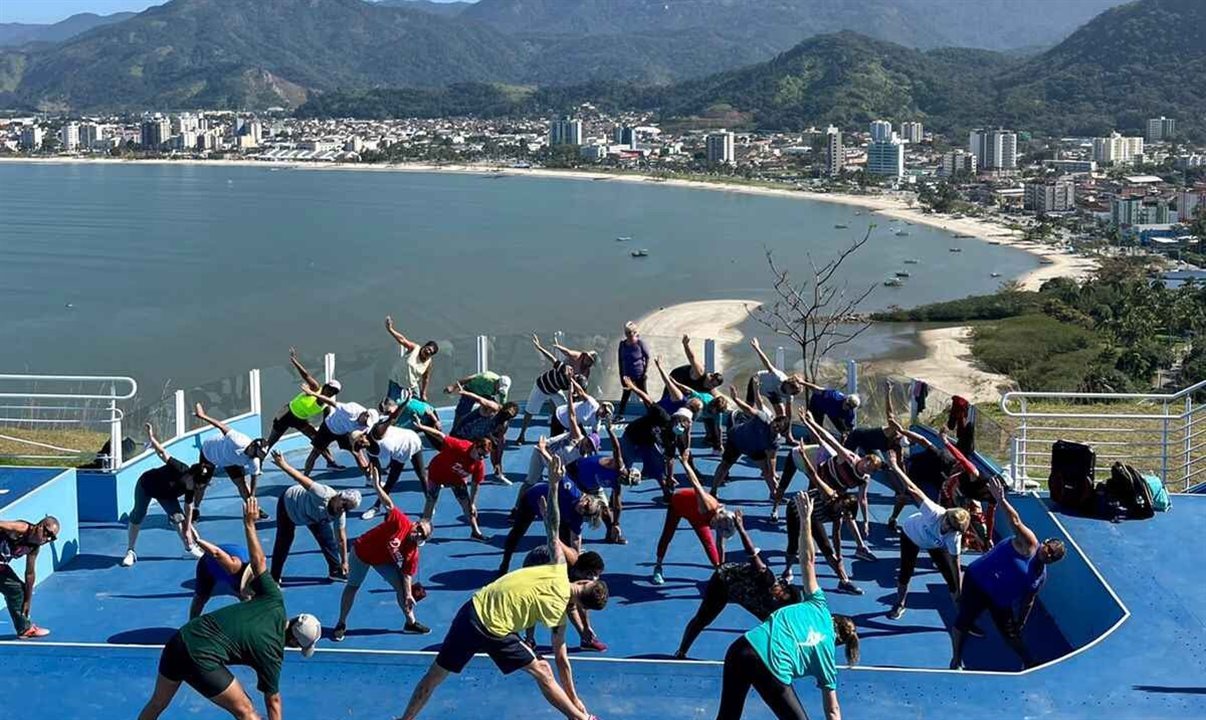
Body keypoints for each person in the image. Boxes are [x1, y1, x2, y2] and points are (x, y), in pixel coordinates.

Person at [398, 457, 609, 720]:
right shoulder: (559, 618)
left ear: (582, 582)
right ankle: (580, 719)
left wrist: (554, 485)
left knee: (435, 675)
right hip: (495, 630)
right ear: (583, 606)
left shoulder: (557, 567)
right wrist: (575, 699)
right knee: (542, 671)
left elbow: (553, 528)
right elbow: (562, 662)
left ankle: (405, 719)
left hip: (473, 611)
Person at [137, 498, 322, 720]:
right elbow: (273, 702)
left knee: (157, 703)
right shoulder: (272, 653)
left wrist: (249, 525)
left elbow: (259, 561)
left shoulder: (274, 600)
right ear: (293, 641)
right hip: (200, 657)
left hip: (179, 640)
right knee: (245, 710)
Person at [715, 492, 858, 720]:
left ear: (834, 618)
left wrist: (805, 519)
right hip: (770, 667)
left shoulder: (818, 604)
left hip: (741, 648)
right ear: (839, 641)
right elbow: (833, 711)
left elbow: (808, 561)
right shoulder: (827, 657)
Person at [950, 477, 1066, 670]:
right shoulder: (1029, 544)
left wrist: (1020, 622)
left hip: (999, 601)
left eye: (1053, 556)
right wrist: (1001, 499)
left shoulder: (1039, 577)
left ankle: (1029, 662)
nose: (1048, 554)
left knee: (1012, 634)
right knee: (963, 623)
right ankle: (956, 660)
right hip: (978, 582)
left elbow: (1028, 601)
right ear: (1044, 543)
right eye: (1049, 549)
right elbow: (1015, 521)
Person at [675, 510, 801, 659]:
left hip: (744, 594)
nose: (778, 602)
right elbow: (751, 553)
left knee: (775, 628)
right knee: (702, 619)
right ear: (781, 590)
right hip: (724, 582)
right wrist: (741, 528)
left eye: (781, 604)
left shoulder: (776, 611)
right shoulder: (766, 577)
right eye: (780, 597)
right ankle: (681, 651)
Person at [332, 473, 433, 640]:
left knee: (401, 587)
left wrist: (409, 595)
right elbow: (388, 504)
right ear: (415, 524)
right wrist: (377, 486)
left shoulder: (412, 553)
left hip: (383, 561)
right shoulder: (401, 522)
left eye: (423, 534)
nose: (419, 533)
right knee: (352, 587)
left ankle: (410, 622)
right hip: (362, 552)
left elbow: (407, 576)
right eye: (420, 528)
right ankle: (341, 623)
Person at [499, 438, 604, 574]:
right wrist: (543, 450)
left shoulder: (577, 518)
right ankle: (505, 562)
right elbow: (555, 467)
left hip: (553, 515)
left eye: (585, 513)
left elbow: (575, 544)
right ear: (586, 498)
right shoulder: (570, 489)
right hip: (532, 501)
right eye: (586, 506)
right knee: (517, 533)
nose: (582, 509)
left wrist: (578, 565)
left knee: (563, 544)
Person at [884, 452, 969, 620]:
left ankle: (962, 617)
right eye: (947, 523)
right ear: (946, 516)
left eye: (950, 528)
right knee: (906, 571)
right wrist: (894, 465)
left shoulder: (953, 538)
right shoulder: (934, 512)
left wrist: (958, 591)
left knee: (951, 579)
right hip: (911, 534)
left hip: (933, 544)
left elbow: (955, 565)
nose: (946, 528)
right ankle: (900, 603)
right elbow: (912, 488)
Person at [122, 422, 212, 566]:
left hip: (166, 495)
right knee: (138, 515)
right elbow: (163, 453)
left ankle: (189, 548)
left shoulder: (190, 487)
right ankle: (130, 551)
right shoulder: (180, 468)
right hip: (147, 485)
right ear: (191, 476)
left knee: (178, 517)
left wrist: (188, 529)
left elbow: (188, 508)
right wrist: (152, 438)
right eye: (196, 485)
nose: (195, 489)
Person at [779, 444, 863, 596]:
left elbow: (836, 536)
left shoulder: (839, 515)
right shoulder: (829, 494)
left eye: (844, 512)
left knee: (826, 548)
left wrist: (839, 556)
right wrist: (804, 456)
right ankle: (787, 571)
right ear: (840, 500)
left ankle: (844, 581)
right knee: (793, 544)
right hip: (796, 508)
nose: (841, 511)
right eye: (841, 507)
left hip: (814, 516)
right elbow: (813, 475)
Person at [268, 451, 360, 583]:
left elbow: (341, 539)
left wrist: (345, 562)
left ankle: (336, 571)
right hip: (290, 504)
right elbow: (300, 478)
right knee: (284, 540)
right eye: (344, 504)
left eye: (347, 508)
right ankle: (274, 577)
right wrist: (282, 464)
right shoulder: (322, 493)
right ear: (339, 496)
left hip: (313, 516)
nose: (343, 508)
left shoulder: (340, 513)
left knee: (328, 541)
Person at [801, 411, 881, 559]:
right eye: (866, 463)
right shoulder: (848, 458)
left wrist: (865, 521)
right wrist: (810, 423)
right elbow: (829, 439)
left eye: (870, 468)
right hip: (820, 479)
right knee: (809, 511)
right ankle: (807, 539)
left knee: (848, 515)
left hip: (836, 491)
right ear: (863, 458)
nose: (865, 467)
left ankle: (860, 547)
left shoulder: (864, 479)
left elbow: (862, 499)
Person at [651, 451, 736, 586]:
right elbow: (696, 483)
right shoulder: (708, 506)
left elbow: (719, 545)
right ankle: (658, 566)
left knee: (709, 544)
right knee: (667, 534)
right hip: (678, 504)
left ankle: (720, 575)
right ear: (719, 518)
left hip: (696, 517)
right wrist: (685, 463)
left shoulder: (723, 522)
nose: (716, 529)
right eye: (717, 527)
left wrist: (721, 569)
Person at [263, 347, 341, 469]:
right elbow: (305, 375)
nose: (331, 392)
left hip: (301, 420)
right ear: (325, 386)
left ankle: (330, 462)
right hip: (287, 413)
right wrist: (294, 361)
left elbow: (326, 422)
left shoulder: (326, 405)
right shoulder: (315, 387)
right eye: (330, 389)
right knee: (272, 441)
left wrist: (325, 433)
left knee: (319, 440)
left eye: (334, 392)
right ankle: (257, 462)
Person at [521, 542, 607, 652]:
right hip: (535, 563)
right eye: (592, 574)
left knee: (574, 598)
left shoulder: (581, 573)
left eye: (597, 575)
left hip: (553, 561)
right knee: (533, 602)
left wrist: (586, 627)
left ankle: (586, 640)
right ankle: (529, 640)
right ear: (580, 571)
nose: (594, 579)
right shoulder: (561, 570)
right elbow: (571, 608)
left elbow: (582, 601)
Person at [413, 419, 490, 541]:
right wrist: (422, 427)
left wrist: (473, 503)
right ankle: (422, 532)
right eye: (480, 454)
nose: (481, 458)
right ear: (475, 446)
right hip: (437, 474)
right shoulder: (459, 445)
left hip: (456, 479)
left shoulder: (479, 464)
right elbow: (440, 435)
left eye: (484, 456)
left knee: (467, 506)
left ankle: (475, 532)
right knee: (431, 501)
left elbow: (476, 484)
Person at [710, 381, 789, 497]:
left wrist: (772, 474)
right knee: (725, 465)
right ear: (773, 420)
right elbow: (748, 409)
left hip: (754, 449)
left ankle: (774, 494)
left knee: (766, 471)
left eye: (779, 429)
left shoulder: (774, 442)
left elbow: (772, 459)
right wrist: (736, 399)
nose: (776, 428)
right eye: (776, 424)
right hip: (736, 440)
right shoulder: (763, 418)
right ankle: (713, 491)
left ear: (781, 432)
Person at [619, 375, 691, 495]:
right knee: (624, 467)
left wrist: (670, 476)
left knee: (659, 469)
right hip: (631, 436)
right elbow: (648, 400)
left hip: (649, 441)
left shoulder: (673, 439)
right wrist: (633, 387)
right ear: (674, 421)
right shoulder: (662, 415)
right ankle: (614, 496)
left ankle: (666, 492)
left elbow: (670, 460)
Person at [568, 421, 636, 544]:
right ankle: (567, 535)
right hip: (575, 476)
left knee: (605, 511)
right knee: (574, 509)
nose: (624, 481)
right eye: (626, 478)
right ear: (627, 472)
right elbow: (616, 447)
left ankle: (611, 535)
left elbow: (617, 506)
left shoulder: (617, 485)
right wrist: (610, 430)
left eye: (627, 483)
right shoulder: (617, 464)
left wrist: (616, 523)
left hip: (592, 486)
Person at [195, 403, 267, 516]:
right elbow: (220, 425)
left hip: (230, 462)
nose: (256, 457)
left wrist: (252, 497)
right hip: (209, 454)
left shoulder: (255, 459)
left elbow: (254, 478)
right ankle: (195, 509)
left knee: (242, 484)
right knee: (201, 485)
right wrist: (203, 416)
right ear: (252, 446)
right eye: (256, 454)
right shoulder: (237, 440)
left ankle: (254, 508)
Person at [516, 334, 590, 445]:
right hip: (541, 387)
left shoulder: (573, 386)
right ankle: (521, 436)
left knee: (567, 410)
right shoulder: (566, 370)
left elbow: (574, 402)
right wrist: (539, 347)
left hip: (554, 391)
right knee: (530, 412)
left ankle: (573, 435)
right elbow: (552, 358)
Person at [298, 384, 379, 479]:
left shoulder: (367, 426)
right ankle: (303, 479)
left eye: (368, 424)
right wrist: (312, 393)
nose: (365, 425)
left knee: (358, 454)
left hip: (344, 433)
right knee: (315, 453)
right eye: (366, 422)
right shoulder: (350, 410)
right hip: (328, 428)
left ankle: (369, 479)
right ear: (365, 414)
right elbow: (331, 402)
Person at [448, 382, 519, 484]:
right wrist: (465, 393)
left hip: (476, 436)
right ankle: (447, 474)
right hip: (462, 431)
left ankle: (497, 473)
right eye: (507, 411)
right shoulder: (494, 408)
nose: (507, 414)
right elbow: (479, 399)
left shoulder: (503, 424)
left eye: (510, 415)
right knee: (454, 454)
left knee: (488, 448)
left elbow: (499, 443)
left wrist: (498, 462)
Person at [0, 515, 59, 639]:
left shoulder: (34, 548)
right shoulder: (21, 528)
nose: (47, 539)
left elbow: (30, 574)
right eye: (48, 533)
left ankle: (25, 629)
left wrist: (28, 601)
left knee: (18, 590)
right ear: (40, 526)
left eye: (51, 538)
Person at [360, 416, 428, 520]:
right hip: (399, 453)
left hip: (412, 441)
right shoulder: (369, 450)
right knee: (390, 482)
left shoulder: (377, 433)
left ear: (364, 435)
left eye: (360, 441)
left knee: (422, 476)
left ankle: (429, 507)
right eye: (358, 445)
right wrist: (376, 482)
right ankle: (376, 507)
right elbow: (376, 468)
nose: (361, 445)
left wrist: (404, 403)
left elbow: (392, 418)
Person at [663, 335, 724, 449]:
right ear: (710, 377)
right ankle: (664, 434)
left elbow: (719, 403)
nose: (710, 386)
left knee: (710, 412)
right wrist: (686, 345)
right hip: (676, 380)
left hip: (688, 390)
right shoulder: (699, 373)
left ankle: (711, 437)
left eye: (713, 386)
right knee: (668, 407)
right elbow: (692, 357)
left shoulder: (711, 388)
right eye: (711, 382)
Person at [187, 529, 252, 619]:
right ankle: (191, 623)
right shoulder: (234, 567)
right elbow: (216, 553)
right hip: (207, 565)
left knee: (246, 599)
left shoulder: (260, 566)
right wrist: (197, 540)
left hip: (232, 553)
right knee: (201, 598)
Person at [747, 338, 806, 421]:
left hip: (772, 392)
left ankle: (777, 425)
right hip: (757, 381)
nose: (791, 393)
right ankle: (747, 419)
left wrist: (787, 423)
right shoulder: (778, 376)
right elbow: (767, 363)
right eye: (791, 390)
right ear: (788, 383)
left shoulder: (790, 396)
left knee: (781, 413)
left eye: (793, 393)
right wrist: (757, 348)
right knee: (749, 406)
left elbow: (788, 411)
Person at [385, 315, 439, 402]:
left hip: (412, 385)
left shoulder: (428, 363)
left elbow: (426, 378)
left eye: (431, 353)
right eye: (428, 349)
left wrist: (423, 393)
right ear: (425, 346)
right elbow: (402, 340)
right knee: (392, 405)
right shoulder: (414, 348)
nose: (428, 352)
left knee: (418, 405)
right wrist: (390, 329)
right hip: (396, 380)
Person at [446, 370, 512, 427]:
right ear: (497, 382)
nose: (499, 391)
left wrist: (503, 416)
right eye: (499, 388)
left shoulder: (503, 391)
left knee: (492, 410)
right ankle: (455, 431)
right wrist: (453, 386)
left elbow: (502, 405)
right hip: (471, 389)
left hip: (485, 394)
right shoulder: (485, 378)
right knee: (462, 412)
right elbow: (470, 378)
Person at [616, 321, 651, 416]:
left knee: (644, 395)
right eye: (627, 333)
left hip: (639, 375)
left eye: (631, 332)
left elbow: (647, 357)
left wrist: (645, 372)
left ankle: (652, 414)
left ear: (635, 332)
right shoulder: (622, 345)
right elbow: (620, 360)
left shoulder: (640, 344)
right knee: (625, 395)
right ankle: (620, 415)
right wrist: (621, 375)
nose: (629, 335)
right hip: (627, 376)